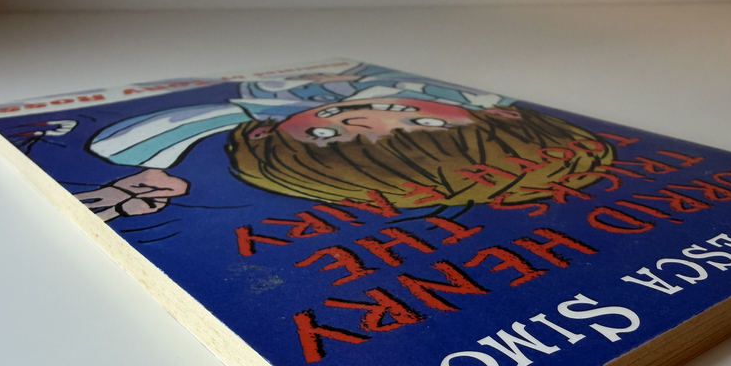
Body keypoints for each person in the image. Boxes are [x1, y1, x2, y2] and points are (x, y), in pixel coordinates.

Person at [79, 63, 615, 220]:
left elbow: (133, 141)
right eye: (423, 123)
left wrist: (153, 175)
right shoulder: (444, 92)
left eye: (325, 135)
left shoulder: (255, 115)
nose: (363, 117)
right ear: (490, 115)